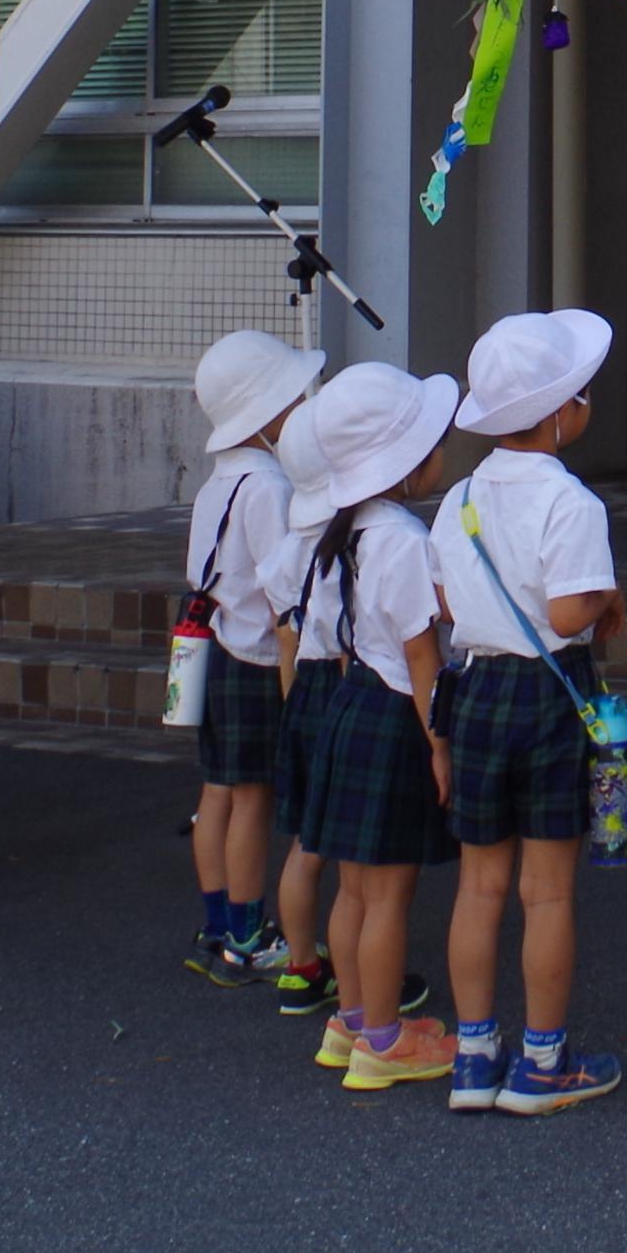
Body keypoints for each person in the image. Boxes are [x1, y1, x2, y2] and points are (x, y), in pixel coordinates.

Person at [431, 307, 626, 1116]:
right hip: (551, 696)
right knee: (546, 891)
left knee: (479, 886)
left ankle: (473, 1055)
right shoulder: (572, 501)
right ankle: (543, 1061)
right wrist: (610, 602)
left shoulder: (459, 497)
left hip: (475, 689)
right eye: (582, 395)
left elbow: (442, 596)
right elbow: (572, 611)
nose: (587, 404)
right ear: (557, 413)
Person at [287, 360, 466, 1093]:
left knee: (355, 891)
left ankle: (354, 1021)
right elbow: (423, 654)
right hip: (397, 717)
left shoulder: (345, 531)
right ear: (407, 460)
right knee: (390, 894)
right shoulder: (401, 536)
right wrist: (440, 743)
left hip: (350, 702)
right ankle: (387, 1042)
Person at [183, 327, 323, 986]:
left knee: (218, 789)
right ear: (266, 414)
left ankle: (218, 920)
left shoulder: (219, 480)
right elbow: (283, 593)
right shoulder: (267, 484)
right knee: (253, 800)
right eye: (294, 398)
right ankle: (245, 932)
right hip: (260, 661)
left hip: (216, 652)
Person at [257, 407, 352, 1024]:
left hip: (303, 691)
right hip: (346, 687)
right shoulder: (348, 545)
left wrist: (294, 704)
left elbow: (285, 635)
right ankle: (365, 978)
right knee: (356, 859)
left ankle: (300, 965)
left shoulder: (289, 548)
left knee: (305, 842)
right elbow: (353, 642)